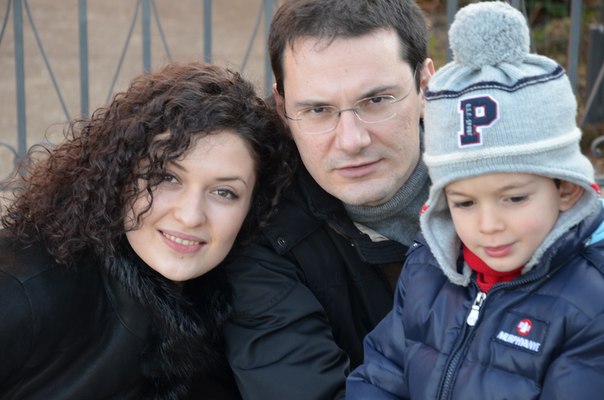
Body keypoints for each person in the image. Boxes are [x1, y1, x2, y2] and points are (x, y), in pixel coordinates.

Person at [346, 2, 604, 398]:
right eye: (464, 203)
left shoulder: (591, 303)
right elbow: (382, 374)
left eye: (513, 198)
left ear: (566, 189)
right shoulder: (428, 267)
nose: (488, 225)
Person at [0, 61, 292, 399]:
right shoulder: (25, 286)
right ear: (119, 175)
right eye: (167, 177)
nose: (190, 216)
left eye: (224, 192)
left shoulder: (230, 305)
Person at [221, 0, 435, 398]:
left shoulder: (521, 191)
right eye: (318, 109)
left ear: (425, 86)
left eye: (376, 100)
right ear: (283, 108)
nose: (352, 140)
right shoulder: (262, 234)